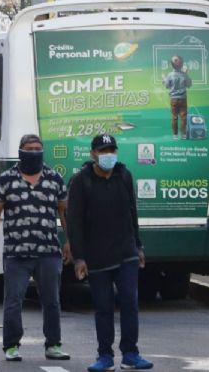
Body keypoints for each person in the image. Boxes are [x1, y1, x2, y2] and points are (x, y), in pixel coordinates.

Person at [67, 134, 152, 371]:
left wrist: (138, 245)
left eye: (112, 150)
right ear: (93, 154)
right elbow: (74, 222)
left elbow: (132, 213)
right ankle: (104, 355)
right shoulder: (80, 181)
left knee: (130, 303)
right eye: (103, 151)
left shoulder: (124, 175)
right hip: (97, 257)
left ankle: (131, 353)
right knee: (103, 307)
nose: (108, 155)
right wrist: (79, 257)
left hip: (126, 252)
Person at [0, 134, 70, 362]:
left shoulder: (54, 177)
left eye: (37, 148)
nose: (34, 152)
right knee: (13, 300)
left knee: (52, 300)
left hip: (49, 252)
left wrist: (70, 242)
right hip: (16, 253)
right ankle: (11, 345)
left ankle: (53, 344)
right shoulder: (6, 179)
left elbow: (64, 211)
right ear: (21, 150)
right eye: (29, 148)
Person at [162, 55, 192, 140]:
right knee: (184, 117)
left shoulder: (170, 75)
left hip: (173, 99)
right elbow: (189, 84)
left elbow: (167, 85)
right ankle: (183, 135)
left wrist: (164, 78)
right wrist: (186, 73)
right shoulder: (184, 74)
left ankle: (175, 135)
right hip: (183, 98)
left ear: (171, 65)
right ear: (182, 65)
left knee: (174, 117)